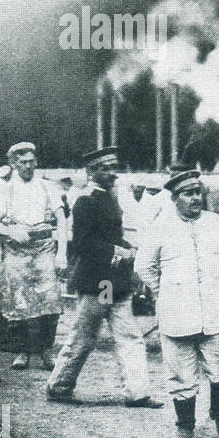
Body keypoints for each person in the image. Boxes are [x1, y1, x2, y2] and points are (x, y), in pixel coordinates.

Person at [46, 147, 162, 407]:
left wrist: (128, 247)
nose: (112, 173)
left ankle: (137, 393)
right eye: (106, 168)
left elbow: (110, 236)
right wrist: (118, 250)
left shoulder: (109, 197)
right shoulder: (86, 200)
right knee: (84, 336)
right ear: (91, 171)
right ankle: (58, 386)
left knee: (129, 336)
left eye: (114, 167)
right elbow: (84, 244)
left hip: (112, 283)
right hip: (98, 283)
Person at [136, 169, 219, 438]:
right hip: (176, 314)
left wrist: (216, 284)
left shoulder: (218, 224)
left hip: (215, 313)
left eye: (198, 193)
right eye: (188, 194)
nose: (195, 198)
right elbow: (144, 266)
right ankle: (185, 426)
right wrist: (164, 292)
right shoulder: (161, 227)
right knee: (181, 375)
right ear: (174, 198)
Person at [0, 144, 67, 370]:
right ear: (14, 163)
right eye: (23, 162)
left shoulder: (46, 186)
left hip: (44, 247)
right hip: (16, 249)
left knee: (49, 300)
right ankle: (22, 351)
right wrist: (10, 230)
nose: (28, 166)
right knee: (19, 300)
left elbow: (61, 220)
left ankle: (45, 350)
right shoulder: (4, 187)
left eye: (31, 161)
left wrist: (62, 254)